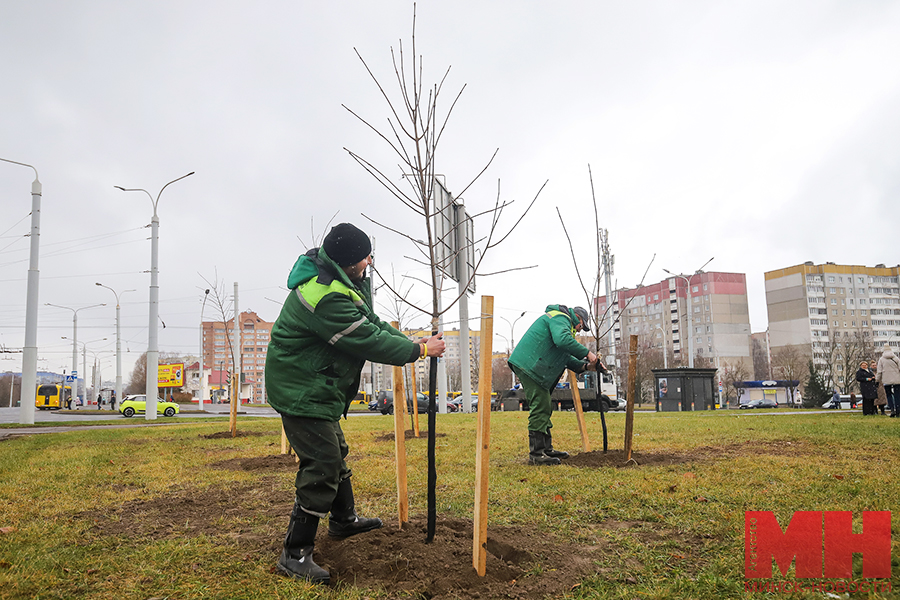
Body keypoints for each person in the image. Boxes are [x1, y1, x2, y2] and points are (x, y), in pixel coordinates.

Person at [265, 223, 446, 584]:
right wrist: (420, 351)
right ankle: (295, 552)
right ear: (349, 262)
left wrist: (413, 339)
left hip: (317, 383)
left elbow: (374, 323)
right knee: (323, 463)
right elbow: (367, 340)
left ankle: (343, 521)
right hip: (300, 388)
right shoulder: (325, 296)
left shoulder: (341, 280)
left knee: (336, 451)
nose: (369, 263)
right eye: (365, 259)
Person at [508, 305, 602, 466]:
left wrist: (588, 366)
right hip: (529, 365)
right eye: (581, 326)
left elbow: (566, 358)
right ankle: (536, 454)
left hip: (534, 366)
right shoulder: (561, 318)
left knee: (546, 405)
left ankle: (546, 449)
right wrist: (588, 353)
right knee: (541, 406)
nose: (580, 331)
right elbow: (562, 340)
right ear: (577, 318)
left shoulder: (562, 327)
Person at [876, 344, 900, 418]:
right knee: (897, 396)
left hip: (886, 381)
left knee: (888, 395)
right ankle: (898, 411)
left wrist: (877, 380)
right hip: (897, 380)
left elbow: (879, 371)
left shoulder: (881, 359)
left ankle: (892, 409)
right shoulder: (896, 358)